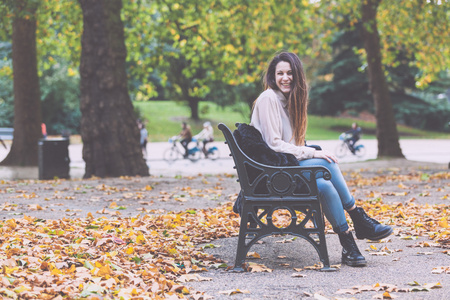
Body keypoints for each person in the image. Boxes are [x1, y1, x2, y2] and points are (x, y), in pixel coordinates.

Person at [250, 51, 392, 267]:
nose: (285, 78)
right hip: (272, 174)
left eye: (290, 73)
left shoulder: (288, 102)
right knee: (327, 162)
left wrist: (308, 149)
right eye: (280, 73)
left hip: (283, 170)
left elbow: (293, 145)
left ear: (297, 76)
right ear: (272, 76)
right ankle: (358, 218)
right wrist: (313, 153)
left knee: (325, 186)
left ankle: (348, 245)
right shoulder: (269, 98)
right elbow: (274, 145)